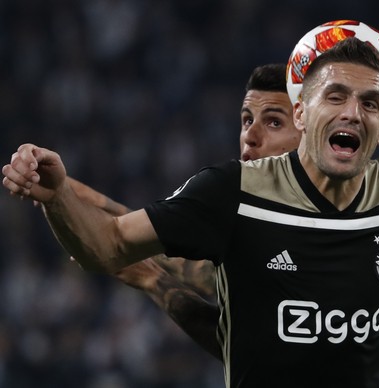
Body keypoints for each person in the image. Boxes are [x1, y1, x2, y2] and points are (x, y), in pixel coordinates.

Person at [2, 37, 379, 388]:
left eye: (370, 103)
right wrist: (58, 196)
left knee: (175, 274)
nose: (354, 111)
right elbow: (106, 247)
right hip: (237, 313)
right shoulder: (233, 191)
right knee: (168, 273)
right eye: (337, 96)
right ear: (308, 112)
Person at [65, 62, 301, 360]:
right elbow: (213, 276)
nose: (250, 136)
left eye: (274, 122)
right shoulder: (256, 221)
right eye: (245, 120)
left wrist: (152, 281)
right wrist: (108, 208)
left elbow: (245, 343)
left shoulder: (348, 225)